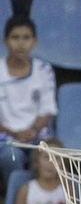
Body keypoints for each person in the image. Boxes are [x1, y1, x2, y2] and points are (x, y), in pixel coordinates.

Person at [0, 17, 54, 181]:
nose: (21, 43)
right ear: (5, 42)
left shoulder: (44, 70)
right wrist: (14, 133)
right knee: (10, 157)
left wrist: (32, 131)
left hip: (37, 135)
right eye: (15, 38)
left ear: (35, 41)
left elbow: (47, 111)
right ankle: (15, 197)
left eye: (26, 38)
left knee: (45, 157)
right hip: (5, 137)